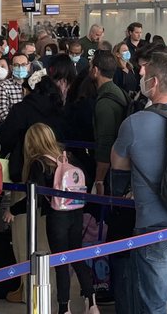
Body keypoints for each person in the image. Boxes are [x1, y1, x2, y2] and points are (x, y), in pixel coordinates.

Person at [111, 51, 167, 313]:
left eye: (145, 75)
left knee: (153, 304)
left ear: (153, 83)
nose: (140, 77)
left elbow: (118, 166)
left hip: (154, 225)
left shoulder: (134, 123)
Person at [7, 124, 98, 314]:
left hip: (57, 217)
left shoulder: (38, 163)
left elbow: (36, 198)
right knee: (77, 256)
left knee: (61, 263)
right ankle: (92, 303)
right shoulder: (67, 156)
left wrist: (13, 210)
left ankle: (64, 308)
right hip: (76, 212)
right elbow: (86, 179)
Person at [90, 52, 128, 192]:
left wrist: (99, 180)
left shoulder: (105, 102)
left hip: (111, 171)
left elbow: (105, 143)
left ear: (95, 71)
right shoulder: (118, 92)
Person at [0, 49, 31, 123]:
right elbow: (3, 113)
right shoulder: (3, 86)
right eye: (16, 65)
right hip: (14, 127)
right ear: (11, 68)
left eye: (23, 65)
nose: (20, 68)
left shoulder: (34, 85)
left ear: (28, 66)